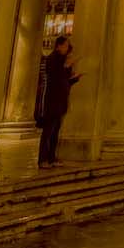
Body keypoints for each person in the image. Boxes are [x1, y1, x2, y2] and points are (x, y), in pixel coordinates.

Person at [38, 35, 80, 168]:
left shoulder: (62, 61)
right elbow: (54, 79)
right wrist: (66, 66)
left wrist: (74, 78)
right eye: (66, 45)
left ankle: (52, 158)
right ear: (59, 46)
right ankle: (42, 159)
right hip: (52, 100)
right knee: (48, 131)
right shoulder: (52, 59)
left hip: (61, 101)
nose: (67, 49)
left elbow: (64, 81)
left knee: (55, 131)